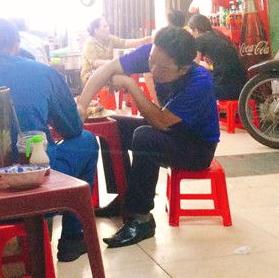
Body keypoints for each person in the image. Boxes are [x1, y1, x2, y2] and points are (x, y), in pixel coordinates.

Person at [0, 18, 99, 263]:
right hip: (39, 187)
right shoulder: (44, 72)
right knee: (86, 140)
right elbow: (72, 129)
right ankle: (72, 239)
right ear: (16, 44)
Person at [76, 26, 219, 249]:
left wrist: (131, 85)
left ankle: (141, 219)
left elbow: (159, 122)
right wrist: (82, 106)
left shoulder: (199, 81)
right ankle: (123, 198)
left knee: (145, 137)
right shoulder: (156, 54)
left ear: (183, 69)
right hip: (171, 132)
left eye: (162, 68)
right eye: (151, 61)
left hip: (197, 148)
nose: (153, 68)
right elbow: (107, 69)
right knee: (113, 126)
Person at [188, 13, 248, 101]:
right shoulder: (217, 35)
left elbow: (194, 66)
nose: (192, 36)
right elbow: (211, 66)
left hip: (226, 88)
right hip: (241, 87)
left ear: (196, 30)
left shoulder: (199, 39)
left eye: (191, 32)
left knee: (194, 89)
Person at [80, 17, 152, 84]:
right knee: (125, 81)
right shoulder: (90, 42)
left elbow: (125, 43)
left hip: (106, 71)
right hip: (91, 75)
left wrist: (145, 40)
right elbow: (95, 62)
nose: (108, 28)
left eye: (108, 26)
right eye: (105, 26)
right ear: (96, 30)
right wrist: (114, 64)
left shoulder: (110, 39)